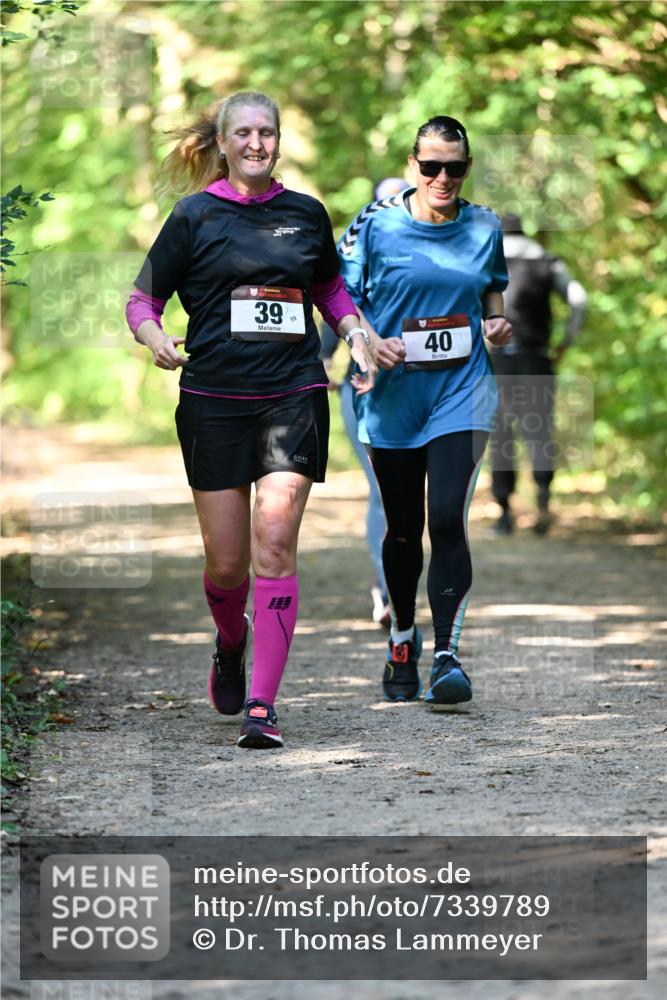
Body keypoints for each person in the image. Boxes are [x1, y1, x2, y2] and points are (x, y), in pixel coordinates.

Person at [125, 92, 376, 749]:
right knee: (228, 565)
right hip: (213, 399)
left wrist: (354, 330)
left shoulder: (306, 213)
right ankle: (230, 639)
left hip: (292, 392)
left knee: (275, 540)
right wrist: (154, 337)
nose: (256, 143)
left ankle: (262, 706)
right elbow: (142, 299)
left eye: (267, 132)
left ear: (279, 141)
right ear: (223, 142)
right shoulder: (194, 216)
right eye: (243, 133)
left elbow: (328, 287)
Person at [338, 115, 512, 707]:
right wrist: (367, 341)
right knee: (403, 529)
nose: (443, 178)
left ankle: (446, 657)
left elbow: (491, 287)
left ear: (467, 168)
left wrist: (496, 321)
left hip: (464, 391)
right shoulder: (376, 225)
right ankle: (401, 638)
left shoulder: (484, 225)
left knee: (446, 518)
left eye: (454, 168)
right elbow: (339, 297)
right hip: (392, 397)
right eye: (431, 166)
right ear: (413, 165)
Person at [320, 177, 409, 628]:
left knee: (415, 496)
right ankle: (388, 586)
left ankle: (406, 581)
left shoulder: (430, 246)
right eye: (382, 201)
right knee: (383, 489)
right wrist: (323, 360)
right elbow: (332, 303)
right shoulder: (356, 248)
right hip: (364, 390)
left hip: (422, 392)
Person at [489, 214, 587, 535]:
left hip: (499, 361)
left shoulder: (488, 260)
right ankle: (543, 497)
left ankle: (504, 512)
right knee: (539, 430)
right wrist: (565, 343)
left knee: (501, 433)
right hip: (537, 357)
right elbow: (579, 300)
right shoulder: (546, 261)